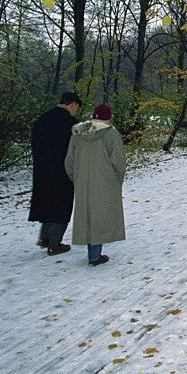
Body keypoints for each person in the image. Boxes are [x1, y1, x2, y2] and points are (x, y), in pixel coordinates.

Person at [65, 103, 126, 267]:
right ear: (109, 118)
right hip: (106, 181)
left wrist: (76, 178)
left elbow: (69, 161)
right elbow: (119, 162)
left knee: (87, 216)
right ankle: (94, 255)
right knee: (100, 216)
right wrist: (117, 180)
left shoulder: (78, 133)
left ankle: (93, 253)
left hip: (83, 181)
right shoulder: (111, 134)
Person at [29, 91, 81, 256]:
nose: (75, 111)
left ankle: (44, 237)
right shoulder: (71, 123)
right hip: (62, 171)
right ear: (72, 104)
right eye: (76, 108)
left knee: (46, 202)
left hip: (42, 169)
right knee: (61, 205)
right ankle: (55, 243)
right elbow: (76, 150)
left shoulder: (42, 119)